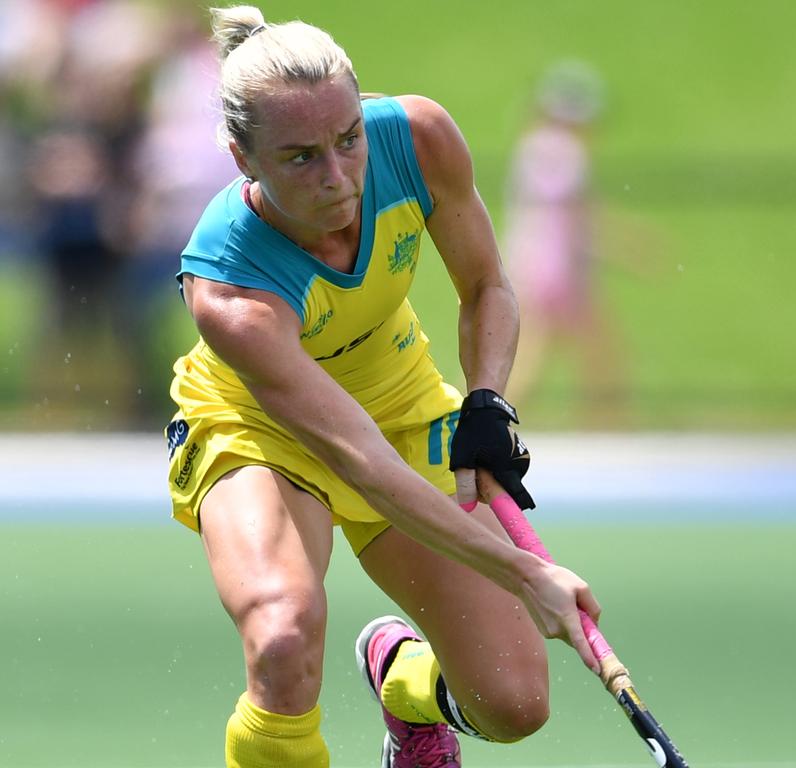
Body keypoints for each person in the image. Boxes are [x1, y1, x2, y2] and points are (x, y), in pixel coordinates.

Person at [164, 7, 602, 768]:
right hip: (260, 428)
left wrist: (488, 401)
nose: (338, 179)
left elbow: (486, 286)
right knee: (283, 632)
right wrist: (528, 573)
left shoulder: (418, 138)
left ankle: (401, 681)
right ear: (242, 157)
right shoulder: (229, 293)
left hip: (399, 402)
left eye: (347, 140)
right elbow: (361, 462)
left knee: (513, 705)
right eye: (300, 158)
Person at [501, 61, 627, 422]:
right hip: (556, 267)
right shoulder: (563, 151)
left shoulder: (533, 147)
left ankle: (605, 425)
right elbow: (576, 216)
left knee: (558, 352)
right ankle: (607, 427)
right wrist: (626, 245)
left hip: (532, 262)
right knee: (582, 351)